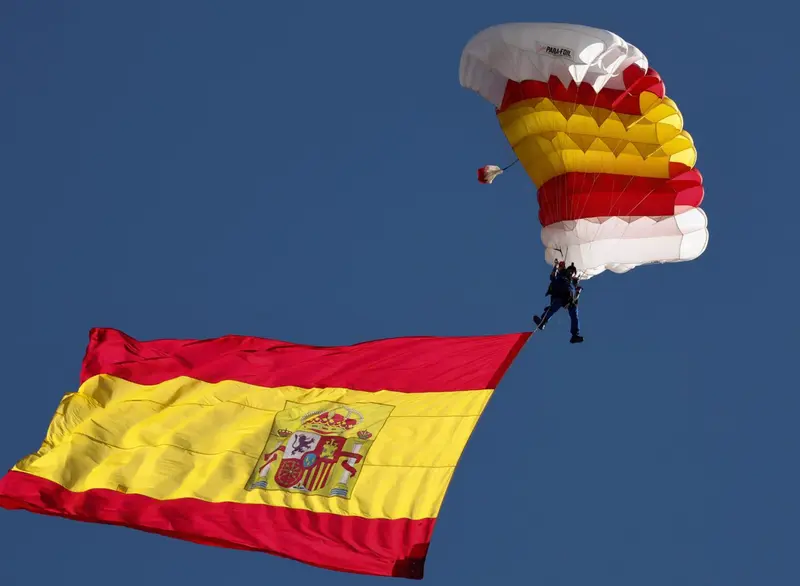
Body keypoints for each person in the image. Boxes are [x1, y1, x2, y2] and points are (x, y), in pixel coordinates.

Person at [533, 260, 584, 343]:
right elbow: (553, 276)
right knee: (553, 307)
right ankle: (542, 322)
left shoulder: (573, 283)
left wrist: (577, 292)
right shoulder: (561, 274)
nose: (571, 273)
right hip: (559, 294)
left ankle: (575, 335)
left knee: (574, 312)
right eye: (570, 271)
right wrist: (556, 266)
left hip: (568, 297)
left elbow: (575, 293)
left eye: (573, 272)